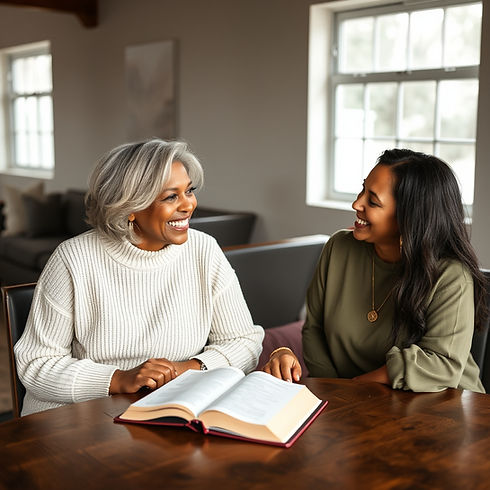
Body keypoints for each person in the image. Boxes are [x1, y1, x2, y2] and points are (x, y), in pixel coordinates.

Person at [15, 139, 264, 415]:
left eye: (189, 191)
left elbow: (244, 341)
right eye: (171, 196)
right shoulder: (73, 259)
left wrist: (189, 369)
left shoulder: (204, 250)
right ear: (130, 207)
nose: (189, 205)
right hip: (80, 419)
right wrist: (119, 379)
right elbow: (36, 364)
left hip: (169, 411)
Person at [263, 149, 487, 393]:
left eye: (373, 201)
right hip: (353, 405)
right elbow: (314, 330)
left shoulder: (451, 275)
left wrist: (357, 387)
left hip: (441, 409)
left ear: (408, 217)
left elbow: (442, 364)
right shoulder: (338, 248)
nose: (356, 203)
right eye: (362, 190)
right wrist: (333, 391)